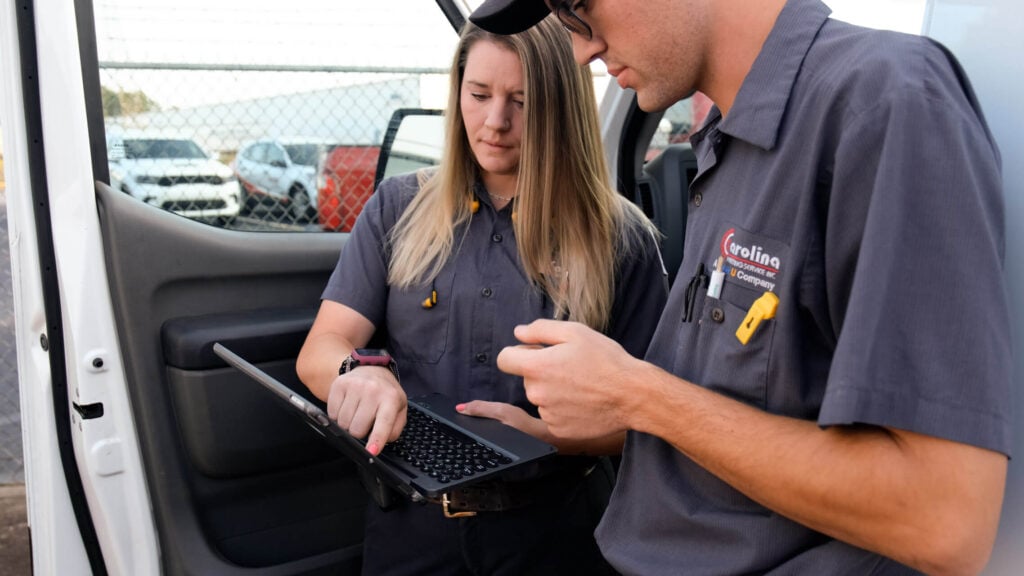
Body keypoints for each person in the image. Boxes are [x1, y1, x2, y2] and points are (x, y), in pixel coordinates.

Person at [470, 0, 1013, 574]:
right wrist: (611, 413)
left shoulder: (884, 100)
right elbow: (749, 416)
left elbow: (944, 518)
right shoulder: (724, 143)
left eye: (577, 6)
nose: (580, 48)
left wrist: (639, 394)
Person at [296, 15, 668, 576]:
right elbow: (321, 347)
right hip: (412, 530)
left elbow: (657, 420)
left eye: (522, 101)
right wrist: (357, 373)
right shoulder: (398, 208)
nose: (495, 121)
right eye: (479, 94)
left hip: (555, 533)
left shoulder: (621, 237)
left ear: (561, 108)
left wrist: (550, 439)